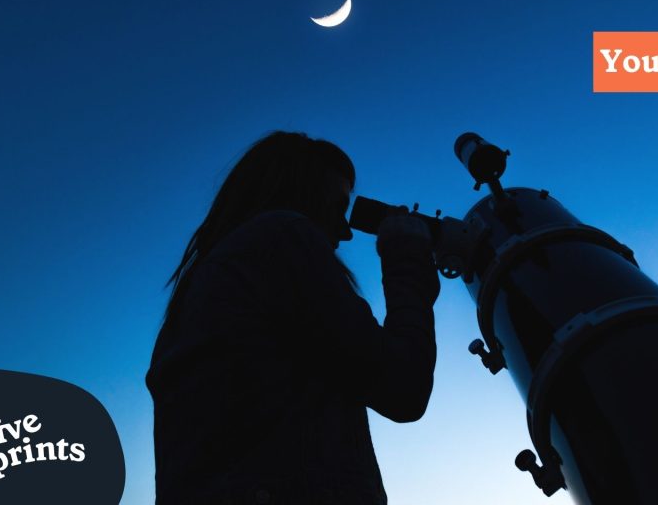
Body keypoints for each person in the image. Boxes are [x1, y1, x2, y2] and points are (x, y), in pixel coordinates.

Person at [146, 131, 440, 504]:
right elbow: (403, 387)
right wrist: (406, 259)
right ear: (300, 194)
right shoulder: (281, 235)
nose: (345, 232)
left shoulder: (195, 299)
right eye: (336, 207)